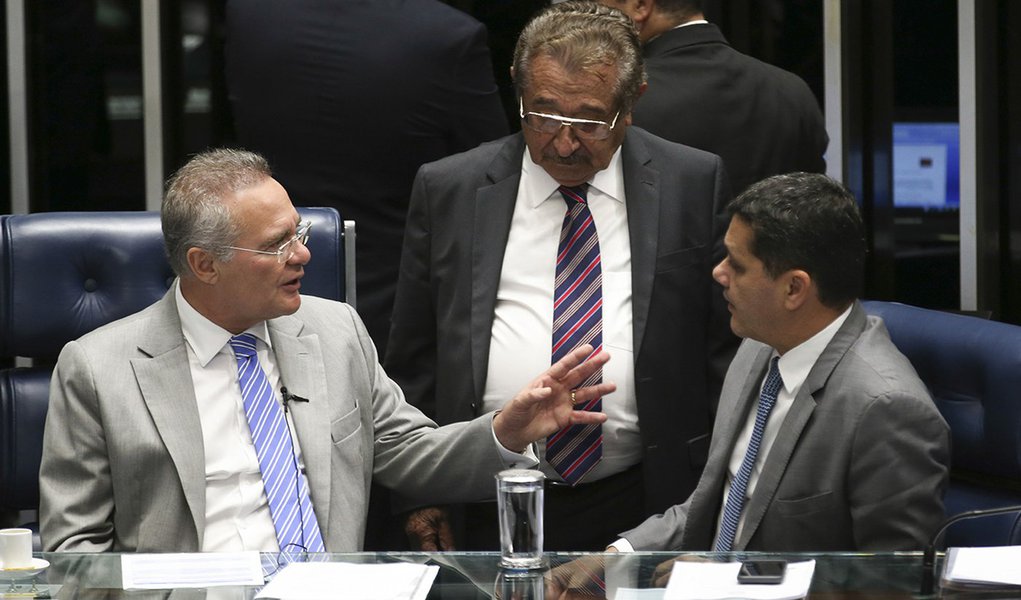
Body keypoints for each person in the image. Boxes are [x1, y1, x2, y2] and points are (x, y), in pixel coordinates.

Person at [38, 148, 614, 553]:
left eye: (299, 233)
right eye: (276, 245)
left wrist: (506, 431)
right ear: (204, 265)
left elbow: (408, 453)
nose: (303, 256)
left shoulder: (335, 331)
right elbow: (74, 549)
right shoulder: (98, 369)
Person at [385, 1, 738, 552]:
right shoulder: (450, 188)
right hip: (485, 494)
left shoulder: (691, 181)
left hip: (647, 498)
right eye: (544, 114)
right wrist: (419, 493)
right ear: (516, 91)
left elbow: (724, 353)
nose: (564, 142)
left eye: (590, 120)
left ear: (632, 103)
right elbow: (415, 357)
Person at [614, 172, 950, 552]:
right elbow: (721, 502)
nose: (718, 272)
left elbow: (892, 583)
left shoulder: (886, 409)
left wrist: (735, 581)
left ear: (794, 288)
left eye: (737, 265)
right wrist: (618, 555)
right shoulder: (760, 343)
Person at [224, 0, 509, 357]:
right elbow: (496, 173)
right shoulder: (448, 36)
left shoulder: (251, 13)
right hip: (396, 296)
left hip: (265, 278)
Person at [593, 0, 828, 196]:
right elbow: (811, 208)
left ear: (641, 5)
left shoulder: (623, 97)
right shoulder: (793, 91)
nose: (589, 15)